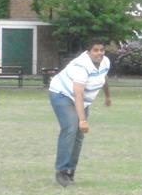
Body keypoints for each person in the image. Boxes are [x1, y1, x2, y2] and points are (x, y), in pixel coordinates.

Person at [48, 40, 112, 187]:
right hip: (62, 94)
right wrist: (82, 120)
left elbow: (104, 78)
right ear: (89, 52)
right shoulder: (81, 66)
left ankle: (70, 171)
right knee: (71, 128)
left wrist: (108, 96)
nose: (99, 53)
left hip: (82, 100)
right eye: (95, 50)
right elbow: (78, 94)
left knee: (79, 135)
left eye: (102, 50)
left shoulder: (105, 62)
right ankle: (61, 172)